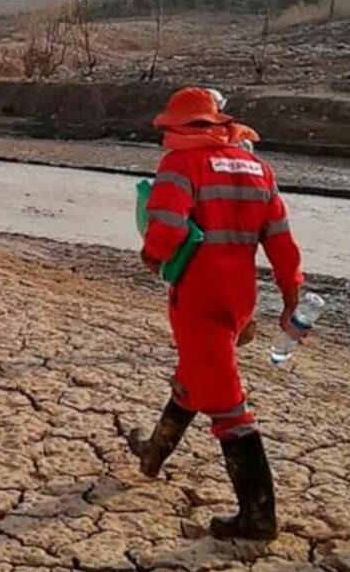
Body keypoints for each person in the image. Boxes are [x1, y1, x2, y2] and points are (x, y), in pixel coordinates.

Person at [127, 86, 303, 541]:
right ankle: (153, 453)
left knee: (228, 406)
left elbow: (166, 226)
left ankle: (258, 516)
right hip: (240, 297)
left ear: (181, 126)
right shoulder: (258, 168)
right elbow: (281, 241)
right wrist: (291, 295)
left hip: (198, 295)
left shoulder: (181, 164)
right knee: (195, 374)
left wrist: (152, 257)